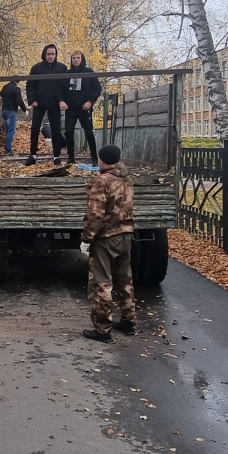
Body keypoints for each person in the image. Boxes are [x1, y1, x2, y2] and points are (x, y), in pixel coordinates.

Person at [80, 145, 136, 343]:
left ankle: (103, 329)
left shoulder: (102, 181)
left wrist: (87, 238)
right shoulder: (127, 179)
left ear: (102, 160)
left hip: (106, 238)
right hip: (126, 234)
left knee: (102, 282)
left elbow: (95, 214)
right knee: (124, 279)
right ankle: (128, 321)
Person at [25, 44, 67, 165]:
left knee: (56, 129)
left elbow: (64, 86)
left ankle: (56, 157)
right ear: (44, 54)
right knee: (35, 128)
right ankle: (32, 155)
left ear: (56, 55)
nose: (51, 56)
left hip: (54, 103)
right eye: (48, 54)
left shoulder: (62, 68)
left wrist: (62, 100)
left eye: (53, 54)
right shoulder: (36, 68)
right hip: (39, 102)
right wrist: (32, 99)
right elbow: (30, 85)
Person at [61, 51, 102, 164]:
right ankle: (71, 158)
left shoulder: (88, 72)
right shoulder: (67, 74)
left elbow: (97, 89)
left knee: (89, 132)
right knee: (68, 132)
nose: (76, 60)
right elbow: (59, 89)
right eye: (73, 58)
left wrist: (90, 101)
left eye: (78, 58)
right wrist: (61, 101)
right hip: (70, 109)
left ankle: (94, 157)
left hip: (84, 108)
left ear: (82, 59)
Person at [0, 80, 26, 154]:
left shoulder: (5, 87)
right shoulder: (16, 89)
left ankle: (7, 149)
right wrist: (24, 110)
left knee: (8, 131)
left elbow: (1, 94)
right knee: (11, 131)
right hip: (11, 111)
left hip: (4, 111)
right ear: (17, 82)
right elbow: (19, 101)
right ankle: (8, 150)